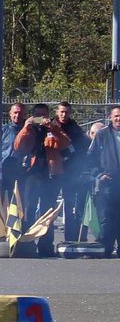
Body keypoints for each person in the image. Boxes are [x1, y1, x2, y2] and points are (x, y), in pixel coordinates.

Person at [12, 103, 70, 257]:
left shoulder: (53, 127)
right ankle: (27, 243)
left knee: (48, 211)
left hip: (50, 174)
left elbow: (65, 143)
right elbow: (17, 147)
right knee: (28, 209)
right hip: (32, 174)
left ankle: (46, 246)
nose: (40, 118)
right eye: (37, 115)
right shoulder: (29, 129)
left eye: (43, 115)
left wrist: (52, 127)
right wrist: (26, 127)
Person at [52, 101, 89, 243]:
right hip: (52, 172)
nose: (63, 114)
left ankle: (70, 240)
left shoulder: (75, 129)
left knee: (70, 208)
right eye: (61, 111)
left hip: (69, 173)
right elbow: (34, 120)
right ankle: (45, 244)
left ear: (70, 113)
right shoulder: (49, 125)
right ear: (56, 112)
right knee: (49, 208)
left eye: (66, 112)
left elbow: (82, 150)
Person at [88, 106, 120, 256]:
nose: (118, 119)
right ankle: (105, 250)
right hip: (107, 185)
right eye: (116, 116)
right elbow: (90, 159)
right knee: (107, 219)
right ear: (110, 117)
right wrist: (99, 174)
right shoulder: (102, 135)